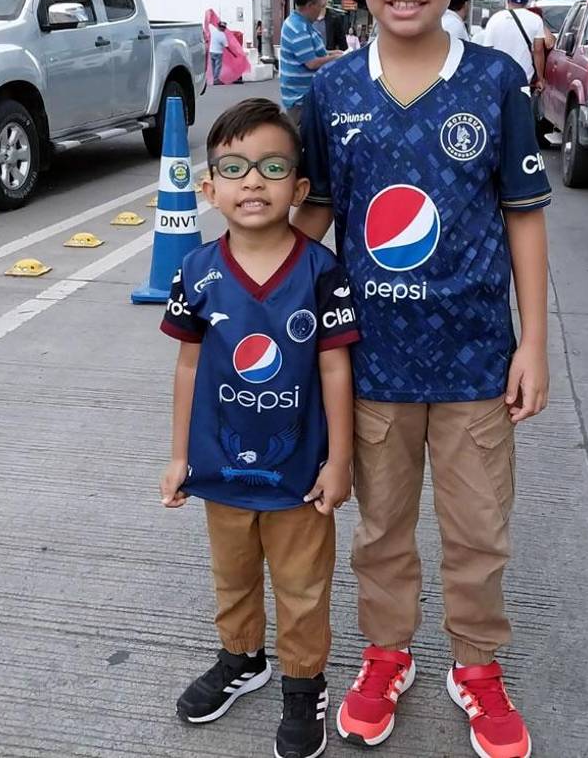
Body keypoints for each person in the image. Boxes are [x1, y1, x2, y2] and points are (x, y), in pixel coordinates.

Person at [292, 0, 551, 758]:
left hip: (480, 359)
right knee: (383, 527)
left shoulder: (494, 84)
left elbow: (523, 217)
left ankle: (476, 666)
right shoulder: (329, 92)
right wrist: (253, 223)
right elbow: (317, 213)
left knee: (479, 531)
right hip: (372, 361)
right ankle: (388, 653)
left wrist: (533, 346)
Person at [160, 97, 359, 758]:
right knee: (234, 576)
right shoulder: (197, 273)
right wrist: (178, 455)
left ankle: (304, 687)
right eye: (235, 168)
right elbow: (189, 366)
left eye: (272, 167)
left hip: (299, 473)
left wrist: (339, 460)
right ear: (209, 188)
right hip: (220, 469)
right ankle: (242, 659)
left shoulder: (321, 272)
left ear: (298, 188)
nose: (253, 181)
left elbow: (335, 371)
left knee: (302, 589)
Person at [279, 0, 343, 126]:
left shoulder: (304, 24)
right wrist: (336, 58)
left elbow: (314, 51)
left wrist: (334, 53)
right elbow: (311, 62)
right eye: (319, 7)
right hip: (300, 99)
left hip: (308, 96)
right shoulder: (297, 28)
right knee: (305, 141)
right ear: (310, 5)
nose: (320, 11)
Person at [482, 0, 545, 93]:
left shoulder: (495, 18)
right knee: (521, 107)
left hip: (499, 76)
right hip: (524, 77)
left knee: (500, 108)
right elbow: (538, 51)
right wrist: (540, 78)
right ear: (527, 1)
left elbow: (487, 51)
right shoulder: (535, 19)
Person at [209, 20, 228, 85]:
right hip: (218, 53)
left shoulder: (213, 32)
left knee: (213, 66)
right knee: (217, 66)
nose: (223, 29)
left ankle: (214, 78)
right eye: (223, 27)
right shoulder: (222, 35)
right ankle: (216, 80)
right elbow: (226, 46)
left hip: (211, 51)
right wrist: (233, 53)